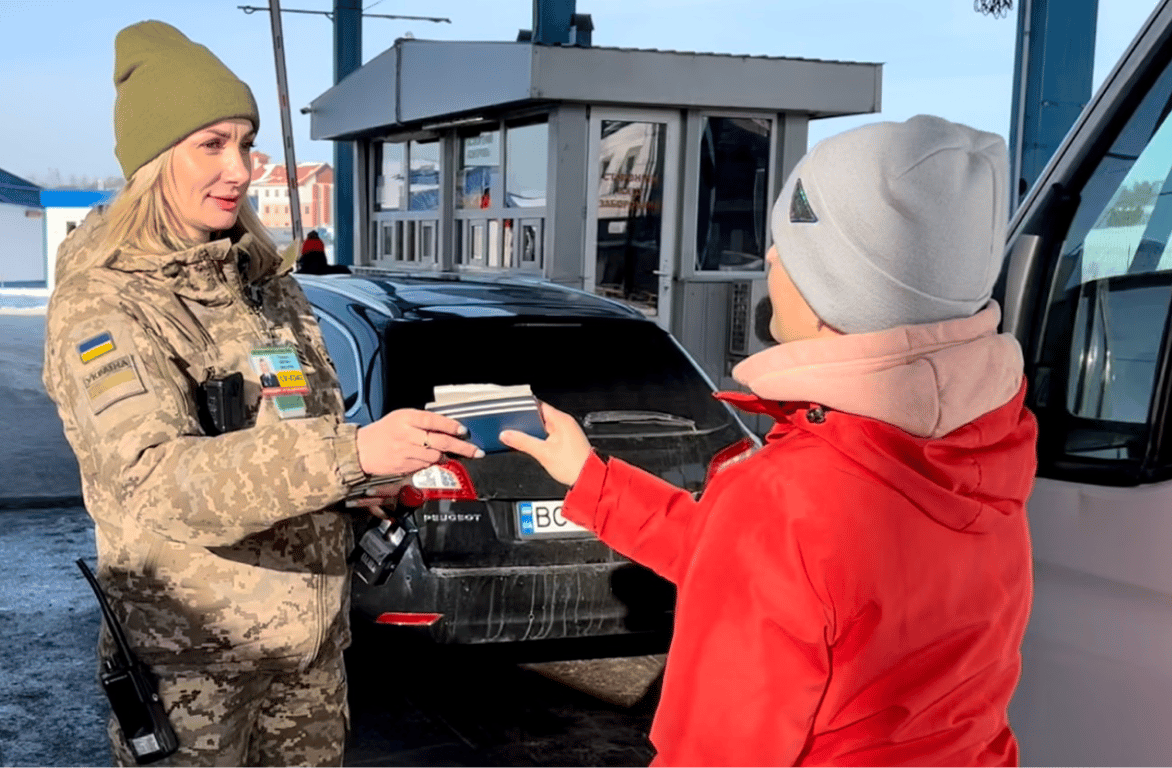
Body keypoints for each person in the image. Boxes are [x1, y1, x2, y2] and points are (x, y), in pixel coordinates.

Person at [502, 115, 1038, 767]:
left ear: (834, 294)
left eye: (790, 246)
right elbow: (760, 569)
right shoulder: (981, 455)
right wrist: (591, 480)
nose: (770, 258)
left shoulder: (787, 499)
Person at [42, 20, 482, 767]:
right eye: (211, 144)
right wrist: (349, 455)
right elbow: (157, 480)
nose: (240, 168)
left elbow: (292, 438)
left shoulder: (261, 284)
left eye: (245, 143)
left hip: (307, 652)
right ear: (153, 160)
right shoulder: (106, 307)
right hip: (195, 672)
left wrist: (355, 489)